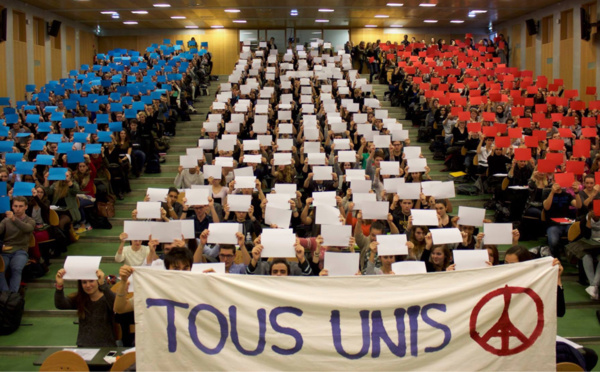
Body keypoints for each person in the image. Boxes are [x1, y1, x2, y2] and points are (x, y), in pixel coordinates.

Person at [114, 247, 194, 314]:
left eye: (185, 268)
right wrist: (123, 281)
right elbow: (120, 309)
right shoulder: (154, 289)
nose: (181, 272)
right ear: (168, 269)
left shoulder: (196, 289)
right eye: (176, 268)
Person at [54, 268, 116, 347]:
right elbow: (60, 304)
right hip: (83, 345)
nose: (88, 285)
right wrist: (59, 286)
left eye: (91, 281)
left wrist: (103, 284)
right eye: (84, 282)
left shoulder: (107, 297)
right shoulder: (80, 298)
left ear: (97, 281)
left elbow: (115, 304)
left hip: (105, 346)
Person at [0, 197, 36, 292]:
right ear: (12, 207)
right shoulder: (5, 220)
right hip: (5, 250)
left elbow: (27, 229)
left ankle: (13, 294)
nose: (18, 209)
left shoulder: (30, 220)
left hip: (21, 250)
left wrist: (13, 219)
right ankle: (6, 294)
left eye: (20, 206)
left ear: (26, 207)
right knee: (0, 269)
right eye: (15, 206)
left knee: (16, 268)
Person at [544, 181, 582, 258]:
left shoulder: (567, 195)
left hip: (567, 223)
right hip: (553, 224)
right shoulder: (547, 193)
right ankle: (556, 258)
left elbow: (579, 206)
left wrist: (577, 193)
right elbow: (546, 207)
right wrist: (552, 192)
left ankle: (573, 257)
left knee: (576, 236)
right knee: (554, 241)